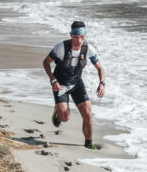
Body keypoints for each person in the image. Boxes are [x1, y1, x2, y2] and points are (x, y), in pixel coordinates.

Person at [42, 20, 107, 150]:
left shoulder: (88, 49)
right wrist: (53, 80)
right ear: (71, 35)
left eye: (82, 37)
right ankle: (58, 112)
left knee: (88, 114)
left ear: (85, 36)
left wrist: (102, 83)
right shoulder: (61, 47)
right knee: (65, 118)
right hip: (60, 84)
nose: (79, 41)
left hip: (76, 83)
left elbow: (100, 68)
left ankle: (88, 143)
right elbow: (46, 62)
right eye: (76, 37)